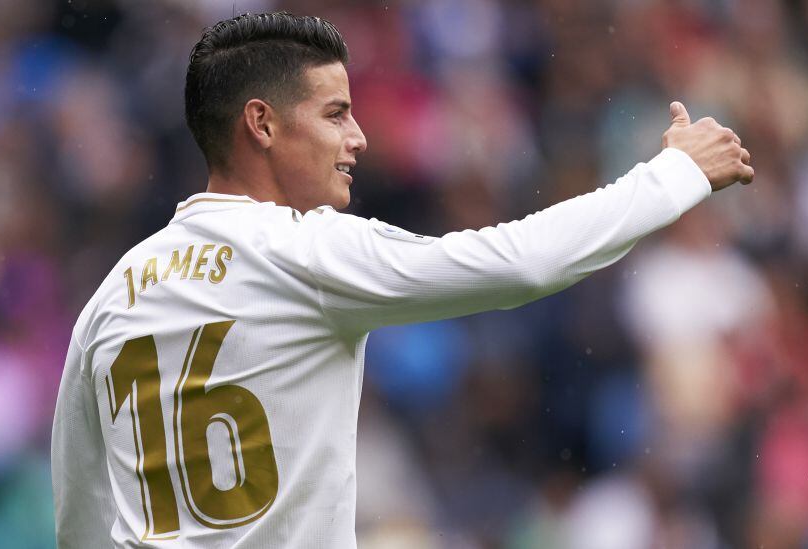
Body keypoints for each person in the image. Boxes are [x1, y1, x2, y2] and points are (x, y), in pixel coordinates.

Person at [50, 11, 753, 549]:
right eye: (334, 113)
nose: (358, 137)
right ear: (260, 123)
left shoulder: (112, 296)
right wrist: (673, 174)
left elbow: (80, 524)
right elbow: (519, 261)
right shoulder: (306, 254)